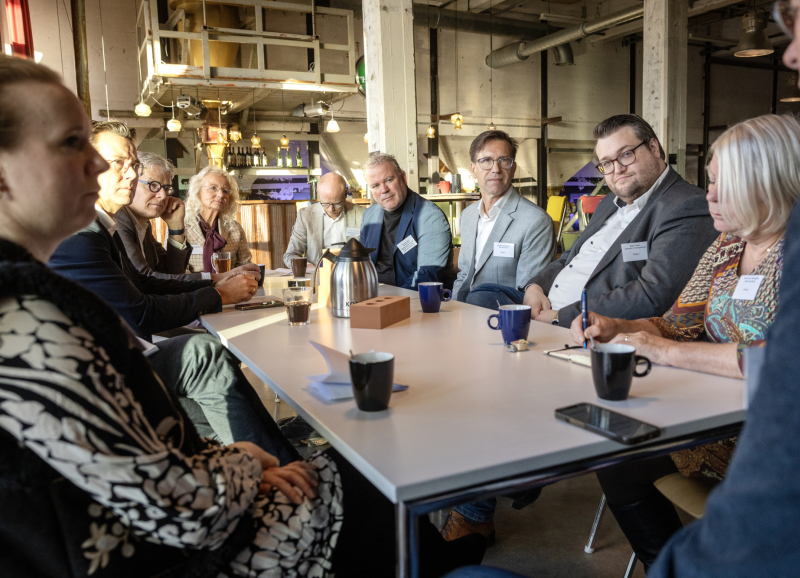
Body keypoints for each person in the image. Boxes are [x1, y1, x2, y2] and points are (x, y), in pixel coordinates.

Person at [0, 55, 483, 578]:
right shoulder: (28, 319)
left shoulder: (32, 294)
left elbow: (130, 450)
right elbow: (170, 507)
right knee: (358, 474)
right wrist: (247, 464)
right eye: (72, 144)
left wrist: (225, 458)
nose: (97, 166)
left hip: (172, 519)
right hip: (178, 557)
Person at [573, 113, 800, 571]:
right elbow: (676, 324)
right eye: (710, 182)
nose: (710, 195)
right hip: (713, 421)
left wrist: (668, 352)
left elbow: (779, 362)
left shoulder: (791, 254)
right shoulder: (726, 247)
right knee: (615, 456)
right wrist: (618, 325)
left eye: (724, 185)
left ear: (768, 182)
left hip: (770, 440)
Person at [46, 120, 297, 462]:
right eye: (118, 163)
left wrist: (213, 282)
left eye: (133, 164)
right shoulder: (81, 235)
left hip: (123, 353)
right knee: (204, 353)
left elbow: (144, 281)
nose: (132, 175)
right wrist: (219, 294)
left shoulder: (104, 225)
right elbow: (141, 311)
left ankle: (249, 453)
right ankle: (282, 464)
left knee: (209, 355)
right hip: (99, 376)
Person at [466, 114, 718, 326]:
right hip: (545, 305)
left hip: (586, 322)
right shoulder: (609, 203)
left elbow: (651, 295)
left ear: (653, 147)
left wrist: (559, 317)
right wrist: (534, 288)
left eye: (626, 154)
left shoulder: (685, 204)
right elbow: (567, 258)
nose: (617, 169)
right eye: (606, 163)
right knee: (482, 297)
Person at [118, 151, 259, 282]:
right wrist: (221, 280)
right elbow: (150, 280)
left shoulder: (144, 226)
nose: (163, 195)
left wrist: (176, 228)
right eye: (153, 185)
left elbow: (171, 273)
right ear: (130, 182)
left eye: (166, 188)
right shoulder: (119, 223)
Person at [452, 130, 554, 304]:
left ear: (513, 168)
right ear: (473, 169)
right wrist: (451, 311)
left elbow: (528, 292)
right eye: (486, 161)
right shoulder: (467, 216)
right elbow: (464, 275)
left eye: (504, 160)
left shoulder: (536, 221)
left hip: (503, 319)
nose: (496, 169)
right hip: (462, 313)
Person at [360, 152, 457, 289]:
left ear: (403, 177)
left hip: (413, 300)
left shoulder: (430, 216)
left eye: (389, 180)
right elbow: (362, 265)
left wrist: (394, 303)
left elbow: (427, 276)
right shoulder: (369, 216)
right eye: (375, 186)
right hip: (372, 297)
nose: (384, 190)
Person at [283, 172, 365, 268]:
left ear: (345, 194)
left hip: (351, 274)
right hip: (317, 275)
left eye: (337, 204)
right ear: (319, 194)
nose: (331, 209)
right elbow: (290, 255)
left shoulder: (362, 214)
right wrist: (308, 266)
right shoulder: (305, 216)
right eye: (325, 204)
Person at [185, 166, 253, 273]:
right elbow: (178, 271)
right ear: (198, 191)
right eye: (213, 188)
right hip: (195, 288)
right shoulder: (181, 227)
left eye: (225, 190)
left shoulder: (235, 228)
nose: (221, 194)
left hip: (231, 287)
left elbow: (245, 265)